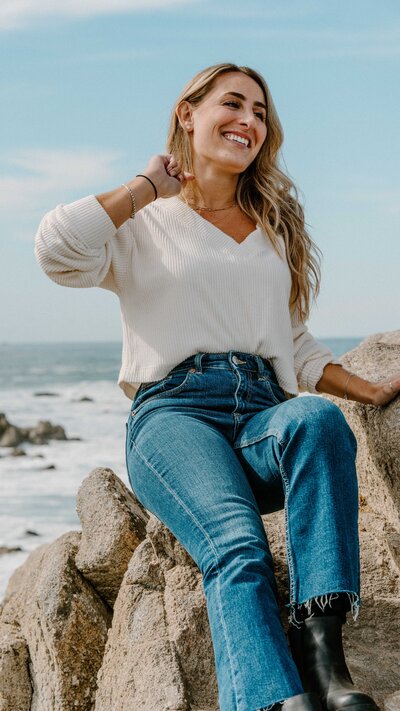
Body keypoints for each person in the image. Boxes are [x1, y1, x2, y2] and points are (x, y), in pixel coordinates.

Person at [35, 62, 399, 711]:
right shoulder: (144, 220)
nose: (250, 121)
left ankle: (323, 660)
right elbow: (57, 249)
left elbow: (293, 343)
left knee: (316, 421)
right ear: (188, 113)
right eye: (234, 103)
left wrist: (370, 391)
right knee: (236, 545)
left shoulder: (269, 231)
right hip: (174, 415)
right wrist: (147, 184)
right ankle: (274, 700)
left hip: (262, 409)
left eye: (260, 112)